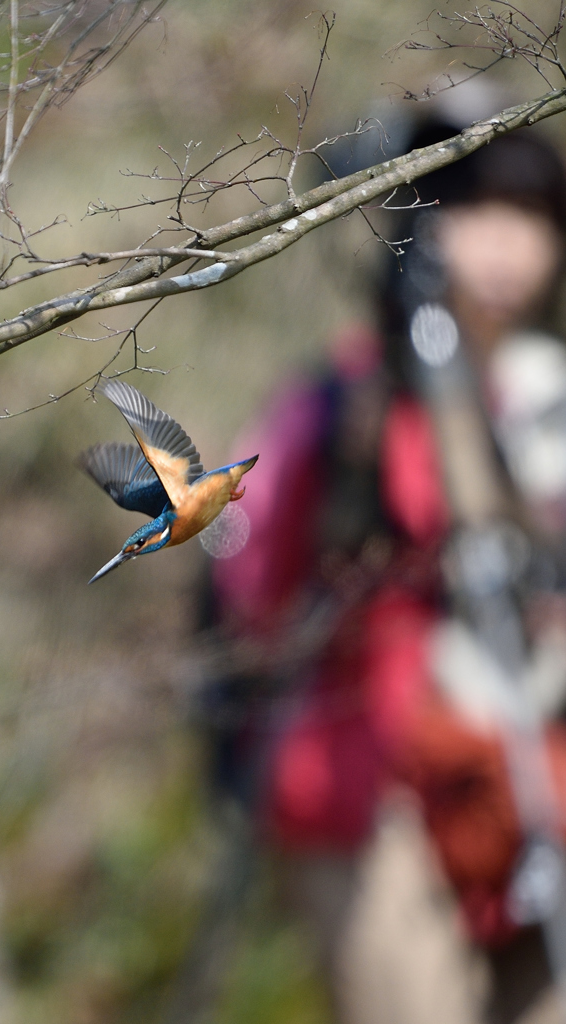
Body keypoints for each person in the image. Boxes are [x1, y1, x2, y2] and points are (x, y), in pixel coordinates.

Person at [201, 119, 566, 1024]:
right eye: (475, 210)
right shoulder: (339, 405)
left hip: (525, 783)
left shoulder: (543, 392)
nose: (506, 243)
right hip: (363, 792)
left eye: (531, 214)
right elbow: (250, 585)